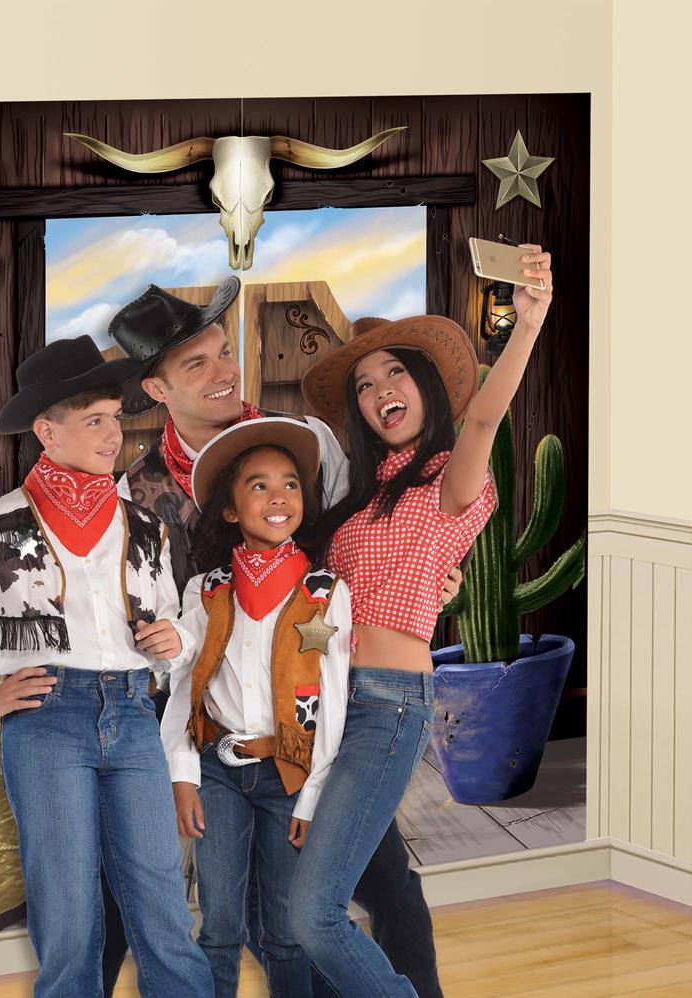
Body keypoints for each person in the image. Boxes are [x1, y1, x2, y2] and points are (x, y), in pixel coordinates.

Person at [105, 276, 456, 998]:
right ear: (157, 388)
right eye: (195, 364)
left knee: (372, 881)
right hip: (214, 730)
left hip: (317, 712)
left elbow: (370, 542)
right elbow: (142, 624)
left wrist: (430, 587)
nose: (223, 372)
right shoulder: (134, 497)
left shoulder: (311, 445)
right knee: (197, 905)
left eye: (223, 352)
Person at [0, 336, 214, 998]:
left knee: (162, 905)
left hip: (131, 712)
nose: (113, 433)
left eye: (117, 417)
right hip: (46, 719)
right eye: (95, 419)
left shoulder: (144, 523)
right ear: (47, 429)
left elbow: (179, 613)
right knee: (67, 913)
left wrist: (174, 635)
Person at [290, 246, 554, 995]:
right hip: (325, 705)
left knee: (314, 915)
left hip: (387, 704)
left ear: (427, 384)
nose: (380, 391)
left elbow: (482, 424)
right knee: (308, 902)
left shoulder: (449, 479)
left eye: (395, 373)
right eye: (366, 386)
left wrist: (526, 326)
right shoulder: (357, 501)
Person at [161, 417, 352, 998]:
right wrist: (183, 775)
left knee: (287, 930)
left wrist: (314, 793)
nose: (278, 498)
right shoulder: (207, 590)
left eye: (291, 484)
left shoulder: (324, 591)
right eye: (259, 485)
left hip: (287, 776)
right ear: (229, 509)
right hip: (217, 773)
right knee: (218, 925)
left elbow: (334, 701)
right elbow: (182, 686)